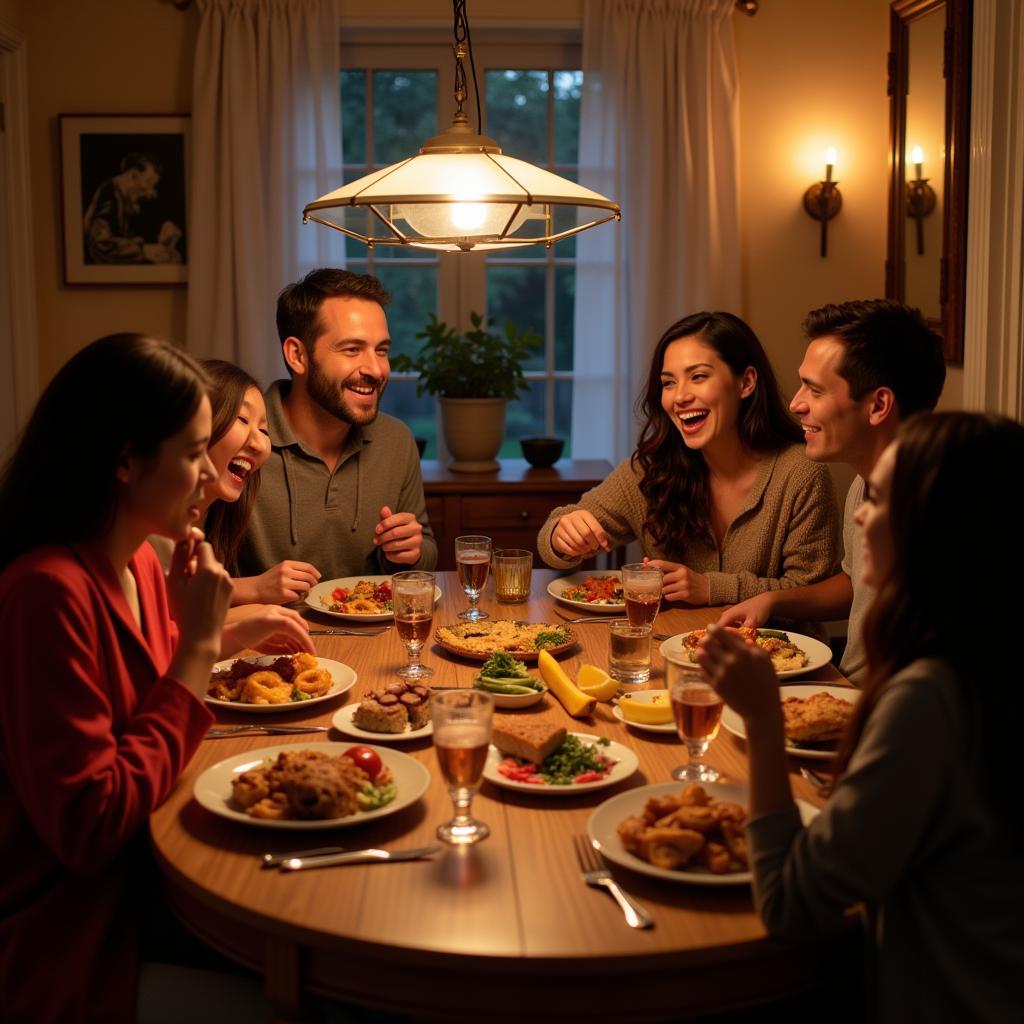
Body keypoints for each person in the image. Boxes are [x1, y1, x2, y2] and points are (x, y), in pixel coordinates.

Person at [0, 334, 313, 1023]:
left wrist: (214, 635)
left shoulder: (142, 560)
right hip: (82, 933)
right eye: (195, 451)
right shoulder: (45, 594)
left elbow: (154, 705)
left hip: (154, 884)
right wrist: (202, 643)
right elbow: (91, 829)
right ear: (124, 461)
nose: (212, 474)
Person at [696, 412, 1024, 1022]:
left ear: (945, 528)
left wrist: (765, 721)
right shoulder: (988, 662)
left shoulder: (929, 696)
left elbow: (792, 907)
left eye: (878, 498)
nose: (859, 515)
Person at [537, 311, 839, 615]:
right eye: (668, 383)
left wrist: (711, 588)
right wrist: (563, 535)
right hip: (669, 650)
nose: (679, 397)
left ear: (746, 382)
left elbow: (812, 593)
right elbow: (554, 537)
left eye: (698, 376)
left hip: (777, 658)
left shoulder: (801, 472)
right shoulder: (651, 469)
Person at [717, 299, 946, 682]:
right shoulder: (864, 483)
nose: (795, 404)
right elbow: (855, 584)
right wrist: (771, 600)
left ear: (878, 406)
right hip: (846, 686)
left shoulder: (929, 508)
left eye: (815, 390)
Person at [237, 268, 438, 583]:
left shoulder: (395, 440)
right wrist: (255, 589)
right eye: (352, 349)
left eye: (381, 350)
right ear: (297, 355)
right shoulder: (240, 440)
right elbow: (186, 584)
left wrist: (409, 551)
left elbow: (423, 555)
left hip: (373, 630)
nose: (375, 369)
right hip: (266, 630)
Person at [196, 359, 322, 605]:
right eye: (242, 419)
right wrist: (253, 592)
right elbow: (166, 624)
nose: (260, 444)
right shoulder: (151, 527)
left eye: (264, 431)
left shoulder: (215, 524)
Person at [83, 152, 183, 265]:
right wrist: (143, 251)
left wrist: (167, 228)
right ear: (133, 176)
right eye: (149, 182)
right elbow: (100, 245)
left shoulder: (127, 199)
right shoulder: (108, 196)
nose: (151, 192)